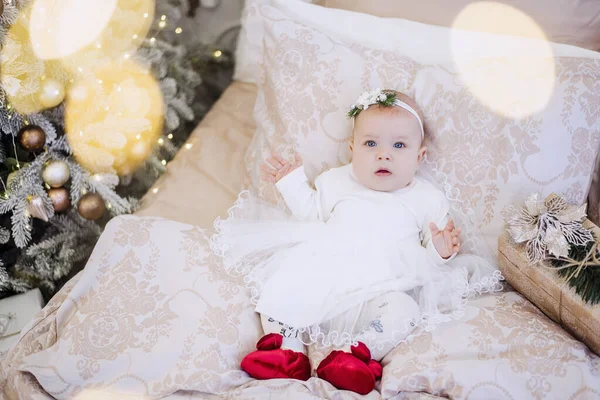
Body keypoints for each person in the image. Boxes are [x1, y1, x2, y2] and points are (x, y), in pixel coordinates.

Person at [211, 89, 469, 395]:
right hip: (325, 277)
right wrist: (290, 182)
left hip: (383, 289)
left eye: (399, 145)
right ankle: (288, 352)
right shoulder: (336, 181)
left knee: (405, 311)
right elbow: (310, 214)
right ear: (352, 149)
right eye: (370, 143)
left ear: (419, 156)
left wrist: (440, 251)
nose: (383, 154)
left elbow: (429, 261)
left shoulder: (426, 198)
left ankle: (354, 355)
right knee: (281, 287)